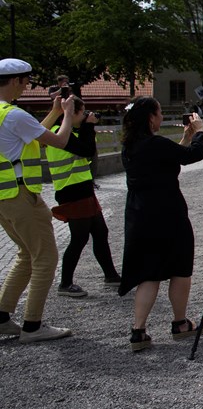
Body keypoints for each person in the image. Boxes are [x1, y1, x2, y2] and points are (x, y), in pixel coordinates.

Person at [119, 97, 203, 351]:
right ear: (150, 118)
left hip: (140, 215)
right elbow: (192, 156)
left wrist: (185, 138)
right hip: (167, 214)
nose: (161, 118)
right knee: (180, 268)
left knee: (149, 273)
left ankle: (138, 331)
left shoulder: (131, 146)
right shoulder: (155, 144)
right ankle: (180, 323)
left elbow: (168, 161)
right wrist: (200, 132)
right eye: (158, 113)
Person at [0, 58, 77, 343]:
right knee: (45, 258)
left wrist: (55, 112)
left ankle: (2, 317)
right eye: (27, 81)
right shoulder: (15, 114)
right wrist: (68, 114)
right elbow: (58, 142)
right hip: (22, 196)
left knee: (25, 254)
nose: (28, 86)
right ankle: (33, 326)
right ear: (18, 81)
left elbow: (31, 137)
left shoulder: (4, 114)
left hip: (3, 196)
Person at [46, 96, 121, 297]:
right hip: (71, 191)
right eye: (83, 111)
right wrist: (88, 127)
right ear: (72, 113)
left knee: (100, 232)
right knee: (79, 238)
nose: (86, 115)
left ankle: (111, 275)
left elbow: (86, 150)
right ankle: (65, 284)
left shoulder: (70, 132)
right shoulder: (60, 134)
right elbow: (87, 151)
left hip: (82, 190)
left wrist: (87, 127)